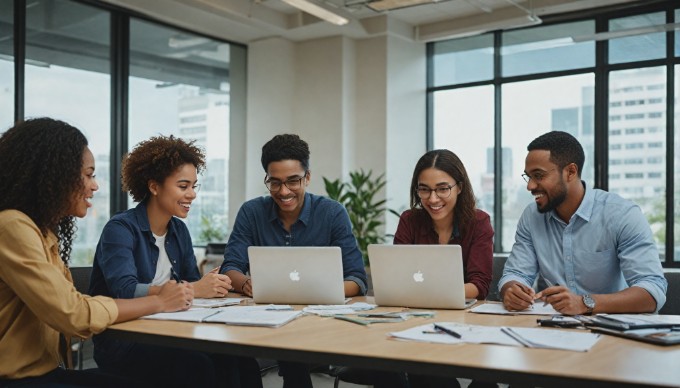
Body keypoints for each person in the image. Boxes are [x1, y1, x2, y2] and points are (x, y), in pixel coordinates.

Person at [0, 118, 192, 387]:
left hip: (43, 373)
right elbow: (73, 314)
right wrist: (158, 301)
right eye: (88, 175)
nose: (95, 185)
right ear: (54, 176)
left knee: (208, 366)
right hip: (16, 379)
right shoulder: (12, 226)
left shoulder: (42, 233)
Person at [89, 135, 261, 387]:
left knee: (240, 360)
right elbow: (124, 290)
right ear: (154, 186)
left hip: (172, 331)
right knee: (197, 365)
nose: (192, 194)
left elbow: (193, 283)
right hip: (125, 343)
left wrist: (210, 286)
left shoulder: (179, 231)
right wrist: (193, 289)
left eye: (194, 186)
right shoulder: (121, 229)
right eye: (183, 186)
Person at [220, 133, 368, 388]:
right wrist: (245, 284)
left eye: (293, 181)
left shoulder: (332, 213)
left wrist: (311, 292)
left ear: (307, 177)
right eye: (274, 182)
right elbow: (230, 267)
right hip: (265, 319)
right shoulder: (252, 212)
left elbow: (356, 279)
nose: (284, 191)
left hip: (318, 320)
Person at [500, 130, 667, 315]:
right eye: (528, 176)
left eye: (538, 175)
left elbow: (653, 290)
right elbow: (516, 274)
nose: (530, 186)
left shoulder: (622, 214)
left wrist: (585, 303)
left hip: (616, 332)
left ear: (570, 172)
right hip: (553, 330)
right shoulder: (532, 217)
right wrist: (511, 290)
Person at [395, 149, 495, 388]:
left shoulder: (478, 222)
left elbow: (479, 285)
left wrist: (430, 294)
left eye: (442, 188)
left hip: (462, 322)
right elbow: (396, 276)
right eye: (424, 189)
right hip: (415, 321)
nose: (432, 199)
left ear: (459, 187)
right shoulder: (410, 220)